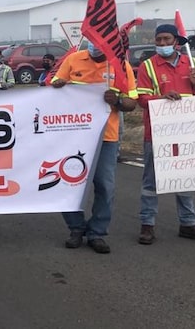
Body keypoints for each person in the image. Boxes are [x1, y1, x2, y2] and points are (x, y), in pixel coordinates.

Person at [51, 42, 137, 254]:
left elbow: (131, 102)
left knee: (105, 187)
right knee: (69, 183)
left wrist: (118, 100)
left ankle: (97, 232)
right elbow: (54, 87)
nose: (94, 44)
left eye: (99, 40)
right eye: (91, 39)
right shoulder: (73, 60)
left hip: (106, 136)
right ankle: (76, 228)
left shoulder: (120, 66)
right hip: (73, 135)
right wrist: (58, 86)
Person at [136, 24, 195, 245]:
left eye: (166, 39)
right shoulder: (147, 66)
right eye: (158, 39)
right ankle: (147, 224)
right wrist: (161, 98)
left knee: (184, 178)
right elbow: (141, 99)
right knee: (151, 182)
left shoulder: (193, 64)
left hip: (187, 133)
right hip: (157, 133)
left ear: (176, 42)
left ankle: (188, 223)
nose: (162, 43)